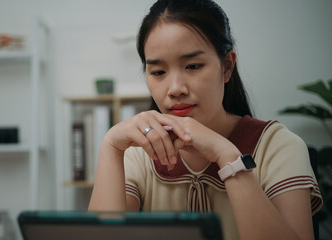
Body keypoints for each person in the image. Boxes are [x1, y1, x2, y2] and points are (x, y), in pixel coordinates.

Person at [88, 0, 323, 239]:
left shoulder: (278, 146)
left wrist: (227, 157)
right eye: (158, 72)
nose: (175, 89)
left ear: (227, 66)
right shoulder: (139, 154)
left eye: (193, 66)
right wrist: (111, 146)